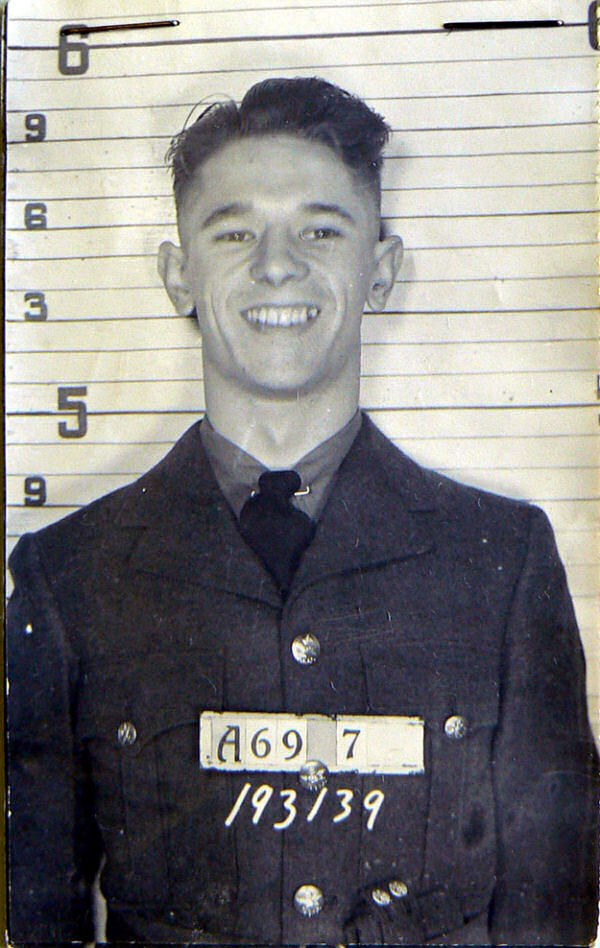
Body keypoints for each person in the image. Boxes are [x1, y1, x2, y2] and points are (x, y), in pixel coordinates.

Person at [6, 77, 598, 947]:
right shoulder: (68, 579)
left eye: (321, 230)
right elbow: (32, 917)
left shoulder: (503, 565)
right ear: (178, 276)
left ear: (381, 271)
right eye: (234, 232)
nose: (276, 265)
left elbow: (553, 916)